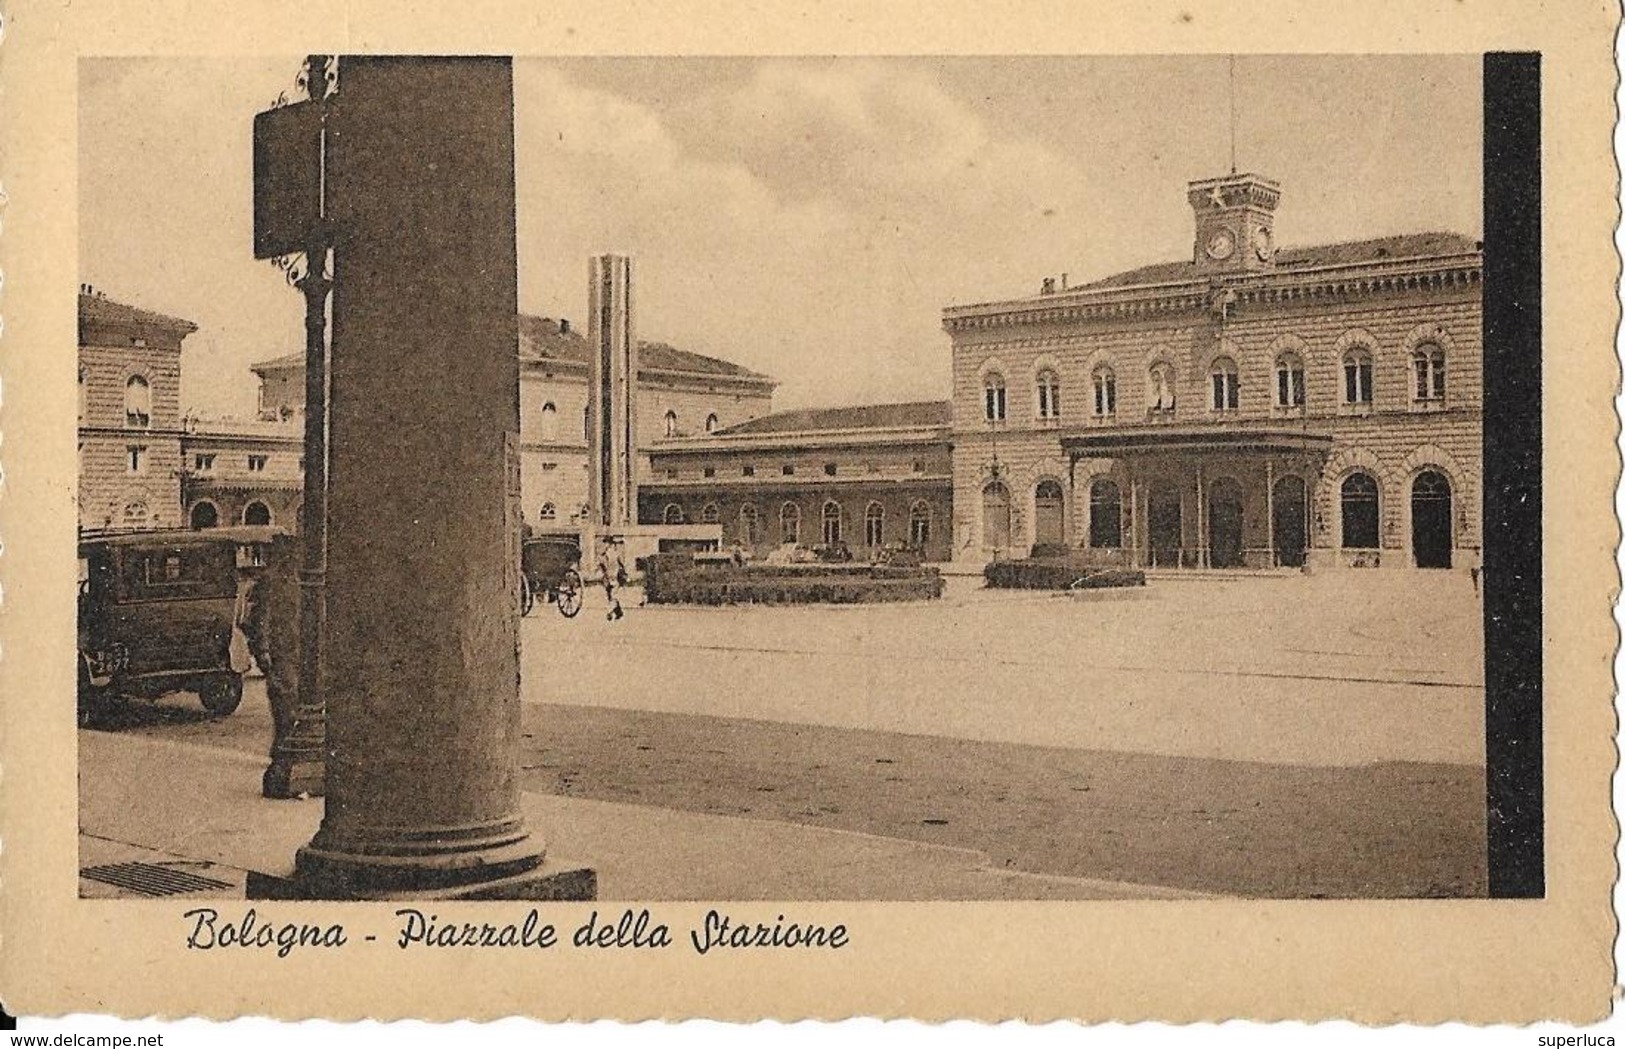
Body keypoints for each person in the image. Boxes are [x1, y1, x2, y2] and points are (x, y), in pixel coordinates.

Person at [598, 536, 625, 621]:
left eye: (607, 543)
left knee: (613, 595)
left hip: (614, 577)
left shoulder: (615, 554)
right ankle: (619, 613)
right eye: (605, 543)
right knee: (610, 596)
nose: (605, 545)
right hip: (607, 578)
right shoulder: (604, 555)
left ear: (611, 544)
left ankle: (609, 612)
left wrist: (623, 574)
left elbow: (622, 565)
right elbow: (601, 566)